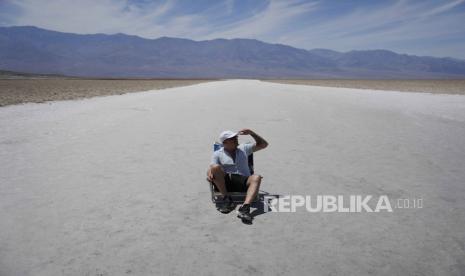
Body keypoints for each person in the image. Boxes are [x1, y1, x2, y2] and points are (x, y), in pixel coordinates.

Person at [207, 128, 268, 222]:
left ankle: (245, 207)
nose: (236, 139)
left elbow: (264, 145)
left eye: (236, 137)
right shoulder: (217, 154)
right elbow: (211, 167)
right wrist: (210, 172)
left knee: (257, 177)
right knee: (214, 168)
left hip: (243, 181)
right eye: (233, 138)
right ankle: (227, 200)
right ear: (225, 142)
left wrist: (252, 133)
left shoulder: (244, 148)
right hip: (226, 184)